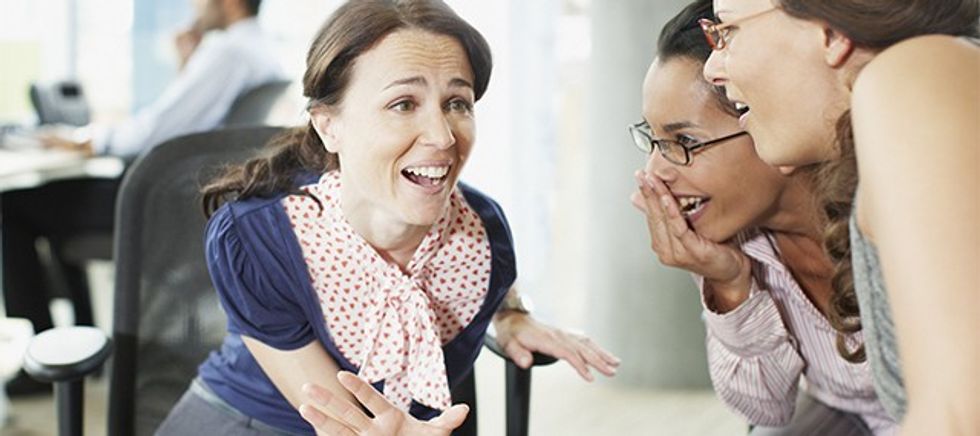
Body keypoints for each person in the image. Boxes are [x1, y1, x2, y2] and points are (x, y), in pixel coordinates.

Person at [156, 1, 620, 434]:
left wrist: (512, 313)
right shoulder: (256, 236)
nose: (442, 136)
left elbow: (459, 269)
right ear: (328, 125)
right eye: (403, 104)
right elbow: (344, 421)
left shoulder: (484, 233)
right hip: (246, 421)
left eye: (457, 103)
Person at [701, 0, 979, 432]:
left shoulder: (914, 76)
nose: (711, 70)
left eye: (727, 32)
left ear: (829, 30)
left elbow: (957, 419)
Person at [630, 1, 897, 434]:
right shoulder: (730, 239)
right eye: (654, 141)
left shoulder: (895, 202)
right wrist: (729, 285)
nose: (655, 174)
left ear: (760, 118)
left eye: (684, 141)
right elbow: (764, 412)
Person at [0, 0, 283, 396]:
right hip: (193, 201)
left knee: (12, 207)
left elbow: (155, 132)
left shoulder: (227, 51)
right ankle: (78, 338)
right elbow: (193, 125)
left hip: (156, 206)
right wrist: (188, 62)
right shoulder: (260, 49)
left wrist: (86, 138)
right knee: (50, 205)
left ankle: (41, 364)